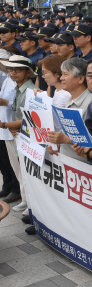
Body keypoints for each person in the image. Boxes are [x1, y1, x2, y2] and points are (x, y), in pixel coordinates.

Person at [0, 56, 37, 215]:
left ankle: (31, 203)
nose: (12, 73)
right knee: (19, 170)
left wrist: (5, 125)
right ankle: (25, 200)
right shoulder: (18, 88)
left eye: (17, 70)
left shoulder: (31, 91)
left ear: (28, 72)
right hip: (17, 135)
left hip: (26, 137)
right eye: (10, 69)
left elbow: (30, 118)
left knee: (26, 172)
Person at [48, 58, 92, 162]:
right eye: (62, 74)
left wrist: (64, 139)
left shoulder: (91, 103)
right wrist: (58, 143)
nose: (61, 78)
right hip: (68, 162)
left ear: (81, 79)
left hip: (82, 167)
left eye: (65, 74)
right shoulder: (70, 99)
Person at [0, 49, 20, 205]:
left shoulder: (16, 81)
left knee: (14, 162)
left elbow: (19, 106)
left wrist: (5, 102)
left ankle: (16, 189)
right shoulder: (7, 78)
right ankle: (9, 185)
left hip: (12, 125)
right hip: (4, 123)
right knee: (5, 161)